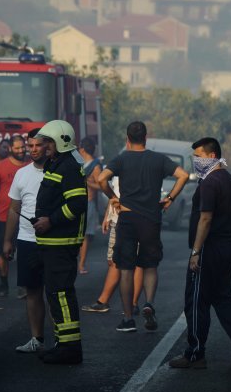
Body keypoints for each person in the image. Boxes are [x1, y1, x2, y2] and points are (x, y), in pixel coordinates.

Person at [169, 137, 231, 370]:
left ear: (211, 156)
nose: (195, 161)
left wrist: (196, 252)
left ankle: (195, 354)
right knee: (223, 297)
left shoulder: (209, 183)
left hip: (209, 249)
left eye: (198, 156)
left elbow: (206, 218)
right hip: (227, 246)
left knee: (197, 301)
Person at [97, 121, 189, 333]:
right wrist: (170, 199)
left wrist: (113, 198)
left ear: (127, 139)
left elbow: (102, 179)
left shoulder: (121, 159)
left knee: (126, 269)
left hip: (127, 219)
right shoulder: (158, 159)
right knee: (150, 265)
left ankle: (128, 318)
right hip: (151, 219)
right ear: (145, 138)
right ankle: (148, 302)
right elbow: (183, 176)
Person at [32, 120, 88, 365]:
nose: (45, 146)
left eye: (49, 142)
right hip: (52, 242)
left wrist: (50, 221)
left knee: (62, 294)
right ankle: (62, 343)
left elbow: (77, 204)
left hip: (61, 241)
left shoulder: (68, 167)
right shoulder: (57, 163)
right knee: (54, 293)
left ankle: (70, 348)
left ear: (61, 142)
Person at [2, 129, 49, 353]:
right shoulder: (22, 174)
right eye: (30, 146)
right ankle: (36, 339)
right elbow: (14, 209)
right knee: (32, 291)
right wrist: (8, 241)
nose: (32, 150)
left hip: (55, 242)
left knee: (56, 291)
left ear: (48, 146)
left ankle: (64, 341)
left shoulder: (60, 171)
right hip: (27, 240)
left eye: (37, 145)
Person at [81, 177, 145, 315]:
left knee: (137, 262)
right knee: (113, 261)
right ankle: (103, 302)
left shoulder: (143, 164)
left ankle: (133, 304)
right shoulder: (120, 165)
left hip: (137, 220)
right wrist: (107, 216)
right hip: (117, 220)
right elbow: (113, 194)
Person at [0, 134, 28, 297]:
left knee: (25, 254)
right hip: (4, 217)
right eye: (17, 148)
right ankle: (3, 283)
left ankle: (23, 284)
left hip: (26, 218)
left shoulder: (31, 165)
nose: (21, 150)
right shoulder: (0, 167)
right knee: (3, 252)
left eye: (23, 147)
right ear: (10, 148)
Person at [76, 137, 103, 275]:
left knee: (84, 236)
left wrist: (86, 182)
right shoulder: (79, 163)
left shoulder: (95, 166)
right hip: (75, 201)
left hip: (88, 203)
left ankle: (81, 264)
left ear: (83, 149)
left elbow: (100, 185)